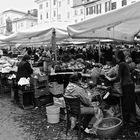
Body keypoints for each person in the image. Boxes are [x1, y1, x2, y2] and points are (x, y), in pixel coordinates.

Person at [105, 50, 137, 125]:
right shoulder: (123, 63)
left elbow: (118, 77)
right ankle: (131, 120)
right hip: (129, 85)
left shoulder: (122, 64)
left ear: (118, 57)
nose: (115, 58)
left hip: (127, 86)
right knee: (130, 103)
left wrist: (109, 78)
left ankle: (130, 121)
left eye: (115, 57)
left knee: (128, 103)